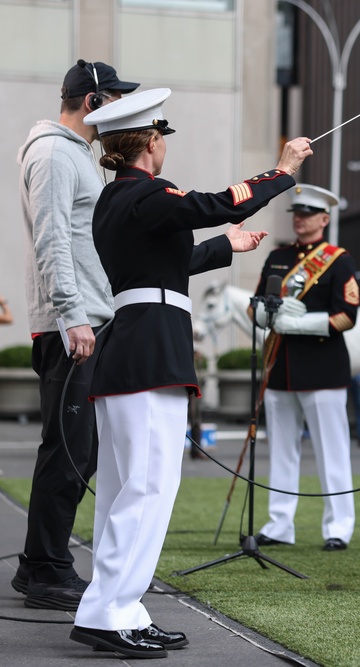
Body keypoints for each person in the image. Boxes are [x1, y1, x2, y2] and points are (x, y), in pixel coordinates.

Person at [69, 88, 311, 657]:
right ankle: (108, 611)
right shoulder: (147, 193)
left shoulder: (120, 200)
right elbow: (215, 202)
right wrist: (282, 172)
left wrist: (223, 248)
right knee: (149, 487)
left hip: (132, 348)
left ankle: (121, 606)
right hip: (150, 352)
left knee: (124, 491)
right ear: (152, 141)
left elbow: (169, 261)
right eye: (162, 137)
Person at [13, 59, 139, 611]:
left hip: (81, 320)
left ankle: (46, 563)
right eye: (113, 98)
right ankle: (43, 569)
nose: (119, 108)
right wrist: (72, 315)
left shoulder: (74, 153)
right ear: (92, 101)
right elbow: (51, 238)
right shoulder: (55, 153)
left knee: (76, 451)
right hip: (73, 325)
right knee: (67, 451)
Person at [252, 184, 359, 551]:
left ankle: (338, 527)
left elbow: (347, 316)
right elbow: (256, 307)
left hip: (323, 368)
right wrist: (268, 314)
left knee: (332, 452)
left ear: (325, 219)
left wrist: (301, 322)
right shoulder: (278, 257)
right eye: (297, 213)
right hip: (281, 366)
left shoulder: (338, 259)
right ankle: (280, 523)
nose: (300, 219)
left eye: (309, 213)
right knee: (281, 450)